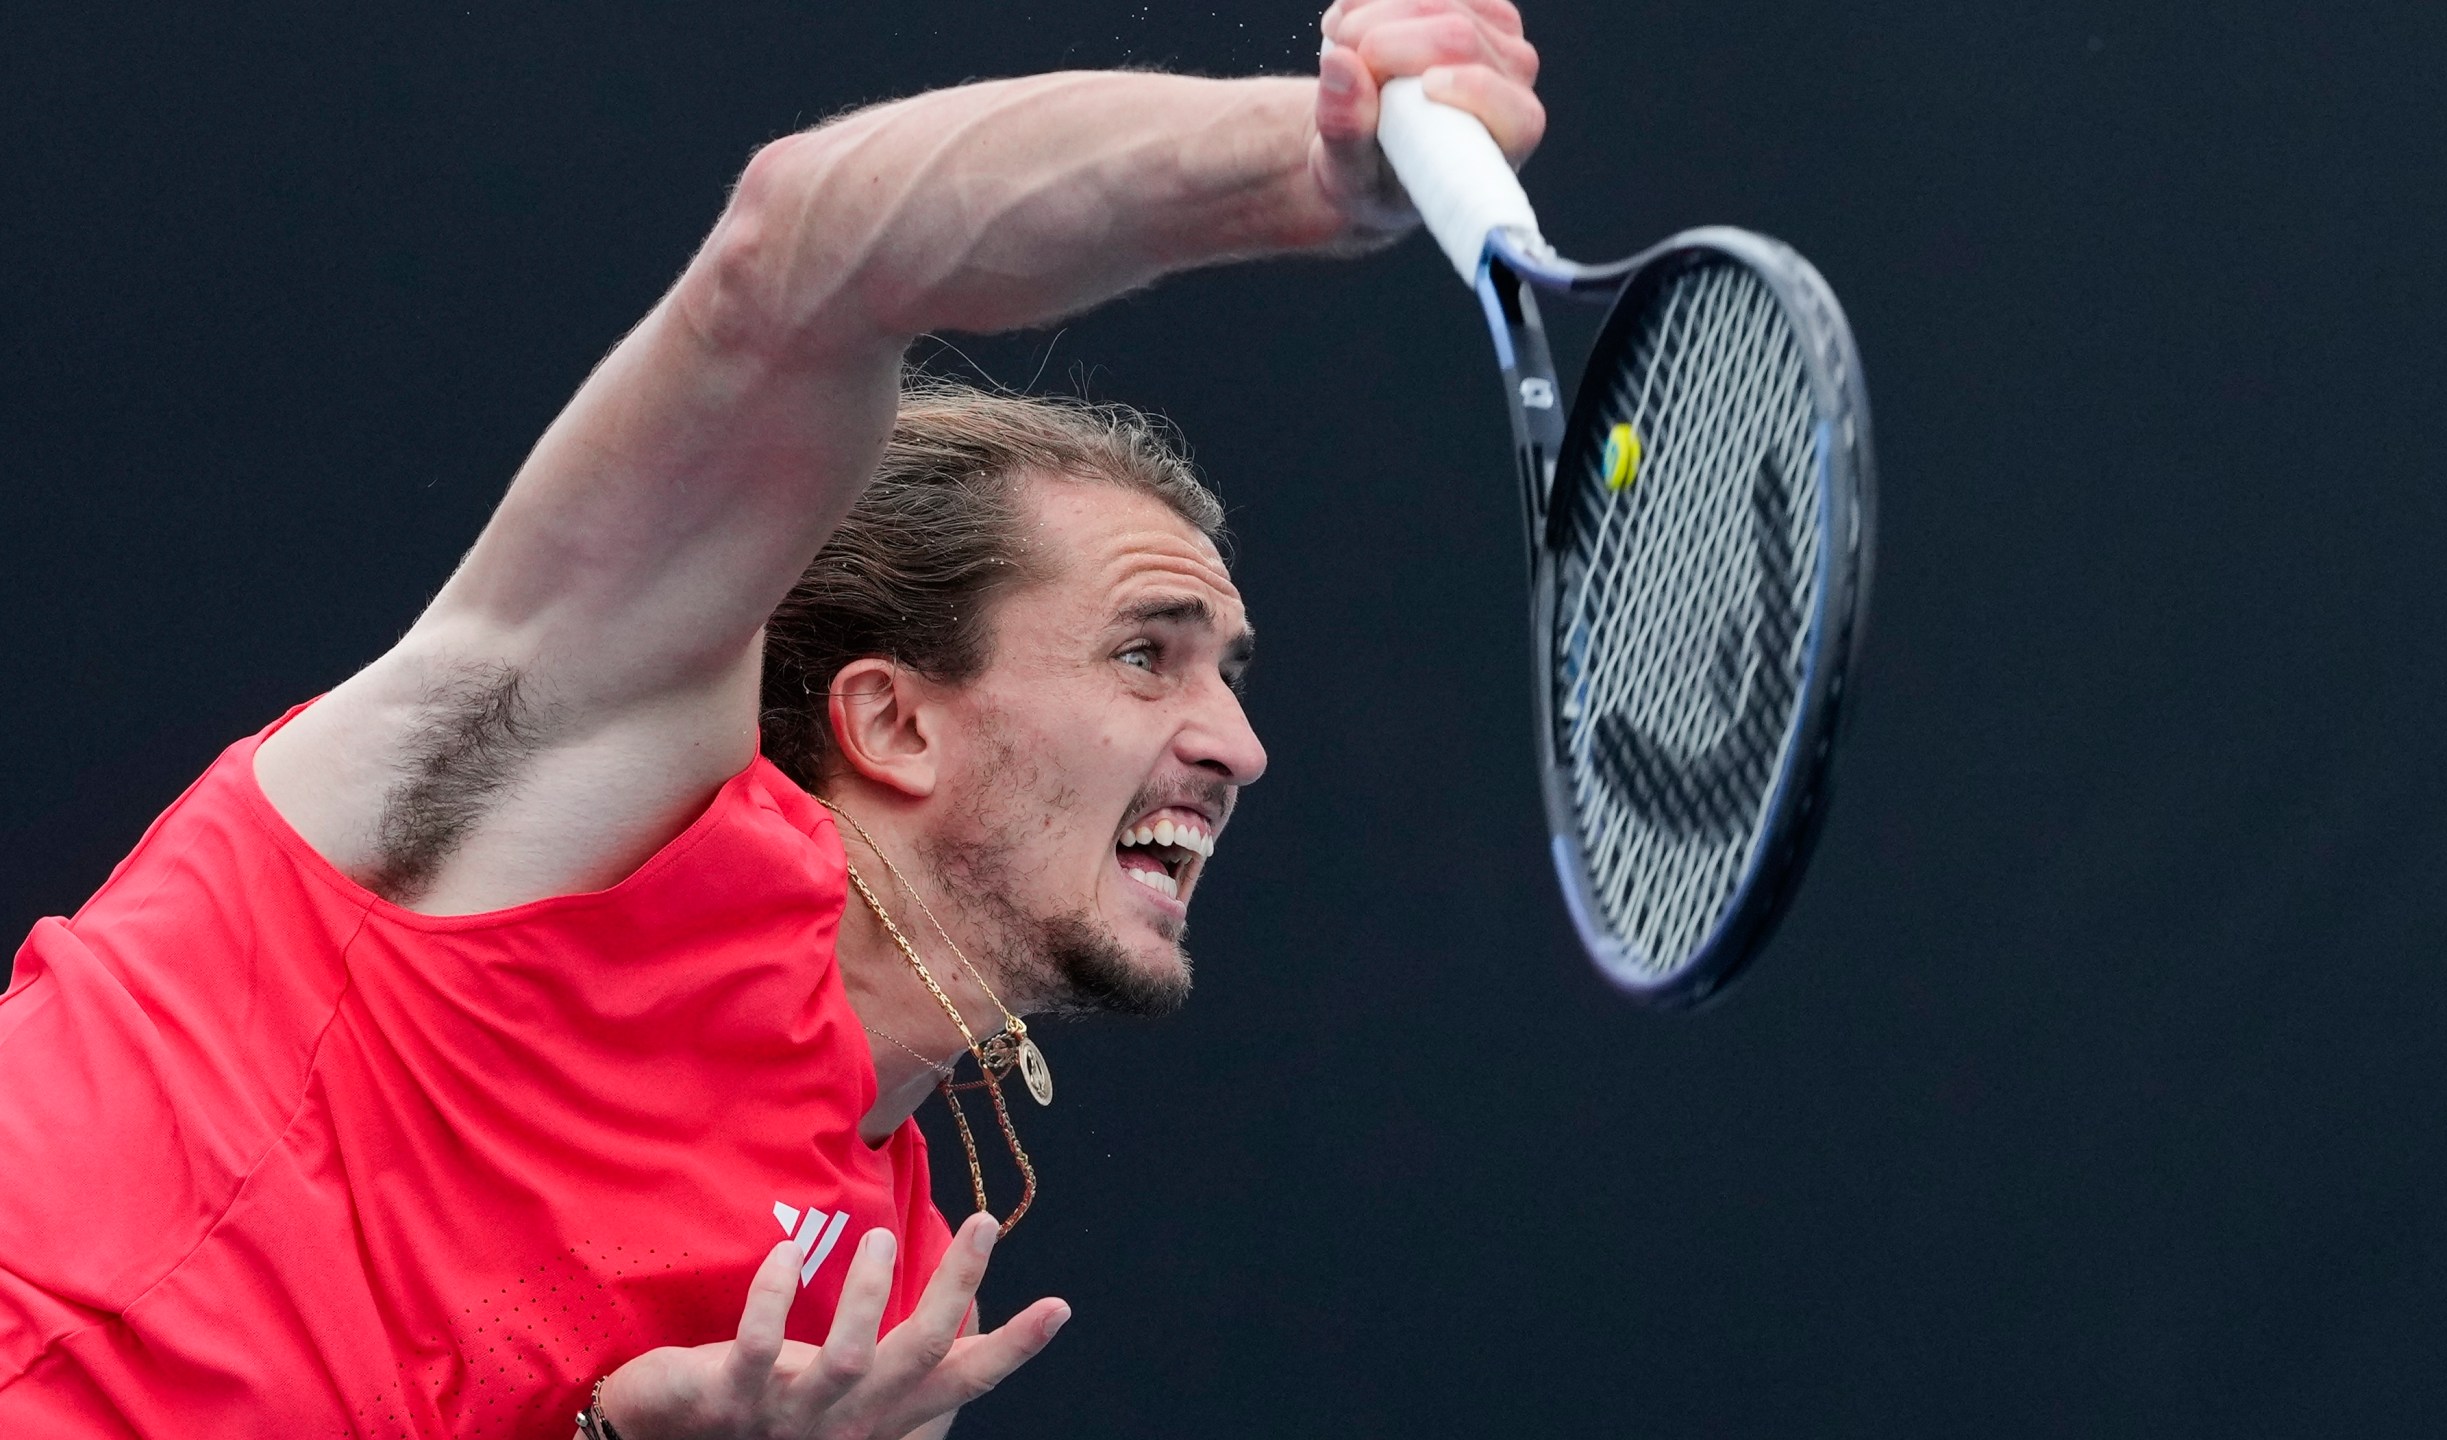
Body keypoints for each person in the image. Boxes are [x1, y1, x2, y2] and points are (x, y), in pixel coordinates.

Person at [0, 2, 1545, 1437]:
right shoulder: (555, 781)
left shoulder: (883, 1323)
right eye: (1149, 655)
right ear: (894, 722)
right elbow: (810, 243)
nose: (1237, 743)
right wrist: (1315, 161)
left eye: (1231, 674)